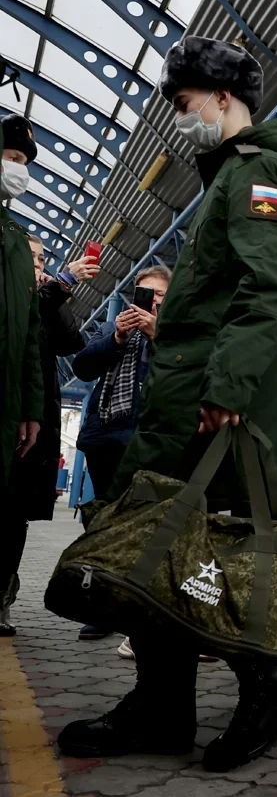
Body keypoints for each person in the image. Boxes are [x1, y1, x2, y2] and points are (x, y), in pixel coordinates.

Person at [57, 37, 277, 772]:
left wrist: (227, 386)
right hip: (196, 393)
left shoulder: (258, 171)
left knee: (201, 546)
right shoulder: (231, 176)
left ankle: (273, 683)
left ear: (224, 97)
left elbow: (266, 288)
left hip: (214, 401)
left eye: (184, 105)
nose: (180, 121)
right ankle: (165, 704)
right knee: (170, 547)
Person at [71, 265, 170, 644]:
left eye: (160, 295)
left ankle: (142, 606)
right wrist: (117, 335)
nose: (152, 301)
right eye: (146, 293)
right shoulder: (113, 327)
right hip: (106, 437)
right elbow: (83, 366)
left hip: (149, 441)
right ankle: (105, 608)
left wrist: (154, 333)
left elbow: (187, 372)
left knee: (146, 526)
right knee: (105, 522)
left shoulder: (176, 334)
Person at [0, 236, 90, 636]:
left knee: (14, 516)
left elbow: (74, 342)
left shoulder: (45, 302)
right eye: (32, 259)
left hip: (34, 428)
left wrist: (54, 296)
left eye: (42, 260)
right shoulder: (11, 295)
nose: (38, 265)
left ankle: (3, 595)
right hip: (11, 417)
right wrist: (59, 285)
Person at [0, 114, 44, 639]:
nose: (19, 172)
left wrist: (30, 408)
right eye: (12, 160)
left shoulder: (15, 239)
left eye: (25, 164)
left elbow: (32, 333)